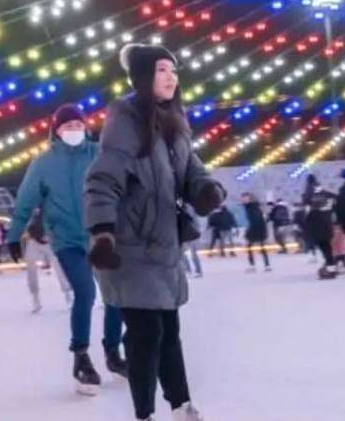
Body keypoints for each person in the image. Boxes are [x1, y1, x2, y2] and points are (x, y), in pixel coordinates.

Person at [86, 43, 225, 421]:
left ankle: (180, 405)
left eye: (174, 71)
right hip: (128, 247)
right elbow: (103, 179)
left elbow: (191, 167)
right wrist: (102, 233)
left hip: (164, 246)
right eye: (162, 70)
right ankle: (144, 413)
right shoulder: (126, 119)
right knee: (146, 334)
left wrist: (206, 189)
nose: (171, 77)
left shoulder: (175, 121)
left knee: (168, 330)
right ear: (143, 77)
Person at [7, 103, 126, 395]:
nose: (74, 130)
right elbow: (25, 200)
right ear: (56, 131)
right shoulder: (43, 164)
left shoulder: (100, 153)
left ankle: (113, 352)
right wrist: (14, 234)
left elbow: (123, 184)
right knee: (85, 293)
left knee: (115, 294)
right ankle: (81, 357)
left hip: (101, 236)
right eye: (68, 126)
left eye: (78, 125)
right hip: (67, 241)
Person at [22, 208, 71, 313]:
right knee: (31, 268)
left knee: (59, 267)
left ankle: (68, 295)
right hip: (35, 240)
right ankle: (36, 299)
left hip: (49, 241)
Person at [302, 176, 337, 276]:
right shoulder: (327, 194)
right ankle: (331, 267)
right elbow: (336, 200)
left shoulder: (308, 195)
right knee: (327, 247)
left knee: (324, 248)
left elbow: (307, 212)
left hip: (316, 226)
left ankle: (330, 268)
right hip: (327, 224)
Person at [242, 192, 271, 272]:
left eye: (245, 198)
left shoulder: (252, 207)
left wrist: (250, 230)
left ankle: (257, 265)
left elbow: (257, 219)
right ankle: (265, 265)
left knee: (257, 247)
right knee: (255, 247)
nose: (244, 200)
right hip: (256, 228)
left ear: (250, 198)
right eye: (243, 198)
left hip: (257, 229)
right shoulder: (250, 207)